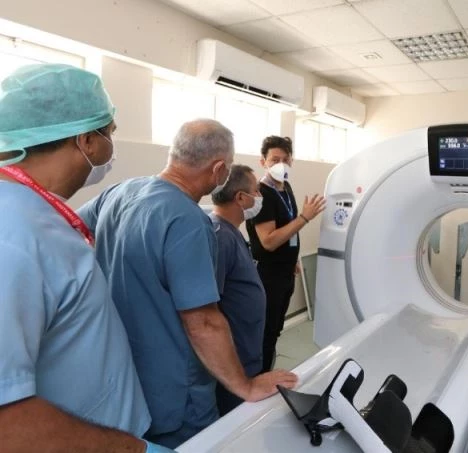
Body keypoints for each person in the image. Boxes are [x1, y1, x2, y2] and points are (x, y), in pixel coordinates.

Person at [79, 120, 297, 448]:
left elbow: (71, 227)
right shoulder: (188, 221)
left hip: (123, 374)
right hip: (174, 391)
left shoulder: (122, 191)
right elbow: (203, 322)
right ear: (218, 169)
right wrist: (246, 386)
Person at [0, 64, 167, 452]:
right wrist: (134, 450)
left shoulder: (36, 211)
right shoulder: (12, 235)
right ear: (88, 141)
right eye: (110, 133)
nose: (111, 147)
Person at [246, 136, 325, 372]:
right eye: (274, 159)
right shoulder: (260, 194)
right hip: (267, 275)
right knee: (265, 332)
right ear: (263, 162)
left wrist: (292, 260)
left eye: (285, 159)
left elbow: (287, 227)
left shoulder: (285, 187)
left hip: (285, 272)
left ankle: (266, 372)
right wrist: (305, 217)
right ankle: (258, 379)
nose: (281, 164)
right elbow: (268, 241)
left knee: (275, 329)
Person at [210, 164, 267, 416]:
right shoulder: (220, 236)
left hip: (247, 353)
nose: (260, 197)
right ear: (241, 198)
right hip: (235, 360)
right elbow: (210, 307)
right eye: (256, 191)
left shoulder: (231, 233)